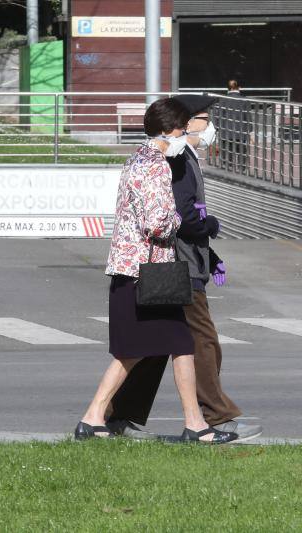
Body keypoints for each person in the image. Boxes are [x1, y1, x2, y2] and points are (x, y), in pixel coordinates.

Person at [74, 98, 236, 444]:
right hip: (149, 269)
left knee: (138, 350)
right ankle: (194, 426)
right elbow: (158, 224)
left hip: (128, 268)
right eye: (180, 128)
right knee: (176, 345)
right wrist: (189, 220)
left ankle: (94, 418)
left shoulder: (135, 158)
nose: (183, 133)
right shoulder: (157, 165)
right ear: (168, 130)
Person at [105, 95, 262, 442]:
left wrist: (211, 253)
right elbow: (179, 215)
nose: (210, 127)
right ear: (188, 124)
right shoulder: (172, 160)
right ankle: (214, 417)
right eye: (205, 119)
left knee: (158, 344)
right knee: (199, 340)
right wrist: (208, 228)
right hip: (176, 266)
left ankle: (115, 416)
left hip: (184, 260)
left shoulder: (182, 156)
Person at [222, 80, 250, 173]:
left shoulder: (223, 99)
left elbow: (219, 114)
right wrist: (250, 129)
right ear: (239, 87)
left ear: (228, 88)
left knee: (227, 148)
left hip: (226, 129)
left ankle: (227, 166)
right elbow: (247, 116)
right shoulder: (244, 100)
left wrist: (217, 127)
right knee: (241, 149)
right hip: (241, 130)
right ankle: (241, 167)